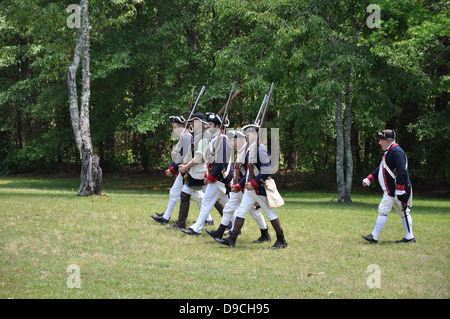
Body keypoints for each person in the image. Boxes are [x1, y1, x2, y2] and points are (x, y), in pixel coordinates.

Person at [216, 124, 287, 249]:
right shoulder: (252, 149)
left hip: (259, 188)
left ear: (256, 134)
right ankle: (232, 239)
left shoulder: (261, 150)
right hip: (251, 189)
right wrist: (241, 185)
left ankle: (281, 240)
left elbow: (266, 172)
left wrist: (253, 184)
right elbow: (249, 173)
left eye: (249, 133)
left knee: (269, 213)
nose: (247, 136)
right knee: (241, 212)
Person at [205, 129, 271, 243]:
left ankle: (265, 234)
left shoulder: (248, 150)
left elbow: (250, 171)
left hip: (246, 187)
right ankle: (220, 232)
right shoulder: (241, 151)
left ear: (241, 139)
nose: (233, 142)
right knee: (228, 208)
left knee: (255, 213)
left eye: (235, 140)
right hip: (239, 187)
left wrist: (243, 184)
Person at [181, 112, 233, 235]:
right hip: (217, 178)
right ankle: (233, 228)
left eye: (210, 124)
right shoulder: (216, 139)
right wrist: (207, 175)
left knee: (207, 202)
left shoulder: (222, 140)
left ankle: (197, 228)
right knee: (227, 205)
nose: (208, 126)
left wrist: (211, 176)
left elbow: (220, 163)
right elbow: (211, 161)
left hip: (220, 178)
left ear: (217, 126)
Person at [362, 129, 415, 244]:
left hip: (395, 190)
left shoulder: (396, 151)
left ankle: (374, 237)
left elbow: (402, 171)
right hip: (393, 190)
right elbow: (382, 168)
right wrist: (369, 178)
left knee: (384, 210)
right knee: (403, 213)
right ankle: (410, 237)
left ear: (388, 140)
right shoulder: (390, 151)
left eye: (381, 140)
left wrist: (400, 189)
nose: (380, 143)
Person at [151, 115, 191, 224]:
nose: (174, 130)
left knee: (200, 197)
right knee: (174, 192)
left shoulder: (187, 137)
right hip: (183, 172)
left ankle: (209, 219)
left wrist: (173, 169)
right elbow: (176, 155)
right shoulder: (183, 137)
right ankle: (166, 217)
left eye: (175, 127)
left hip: (188, 172)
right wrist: (172, 167)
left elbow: (182, 157)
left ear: (181, 127)